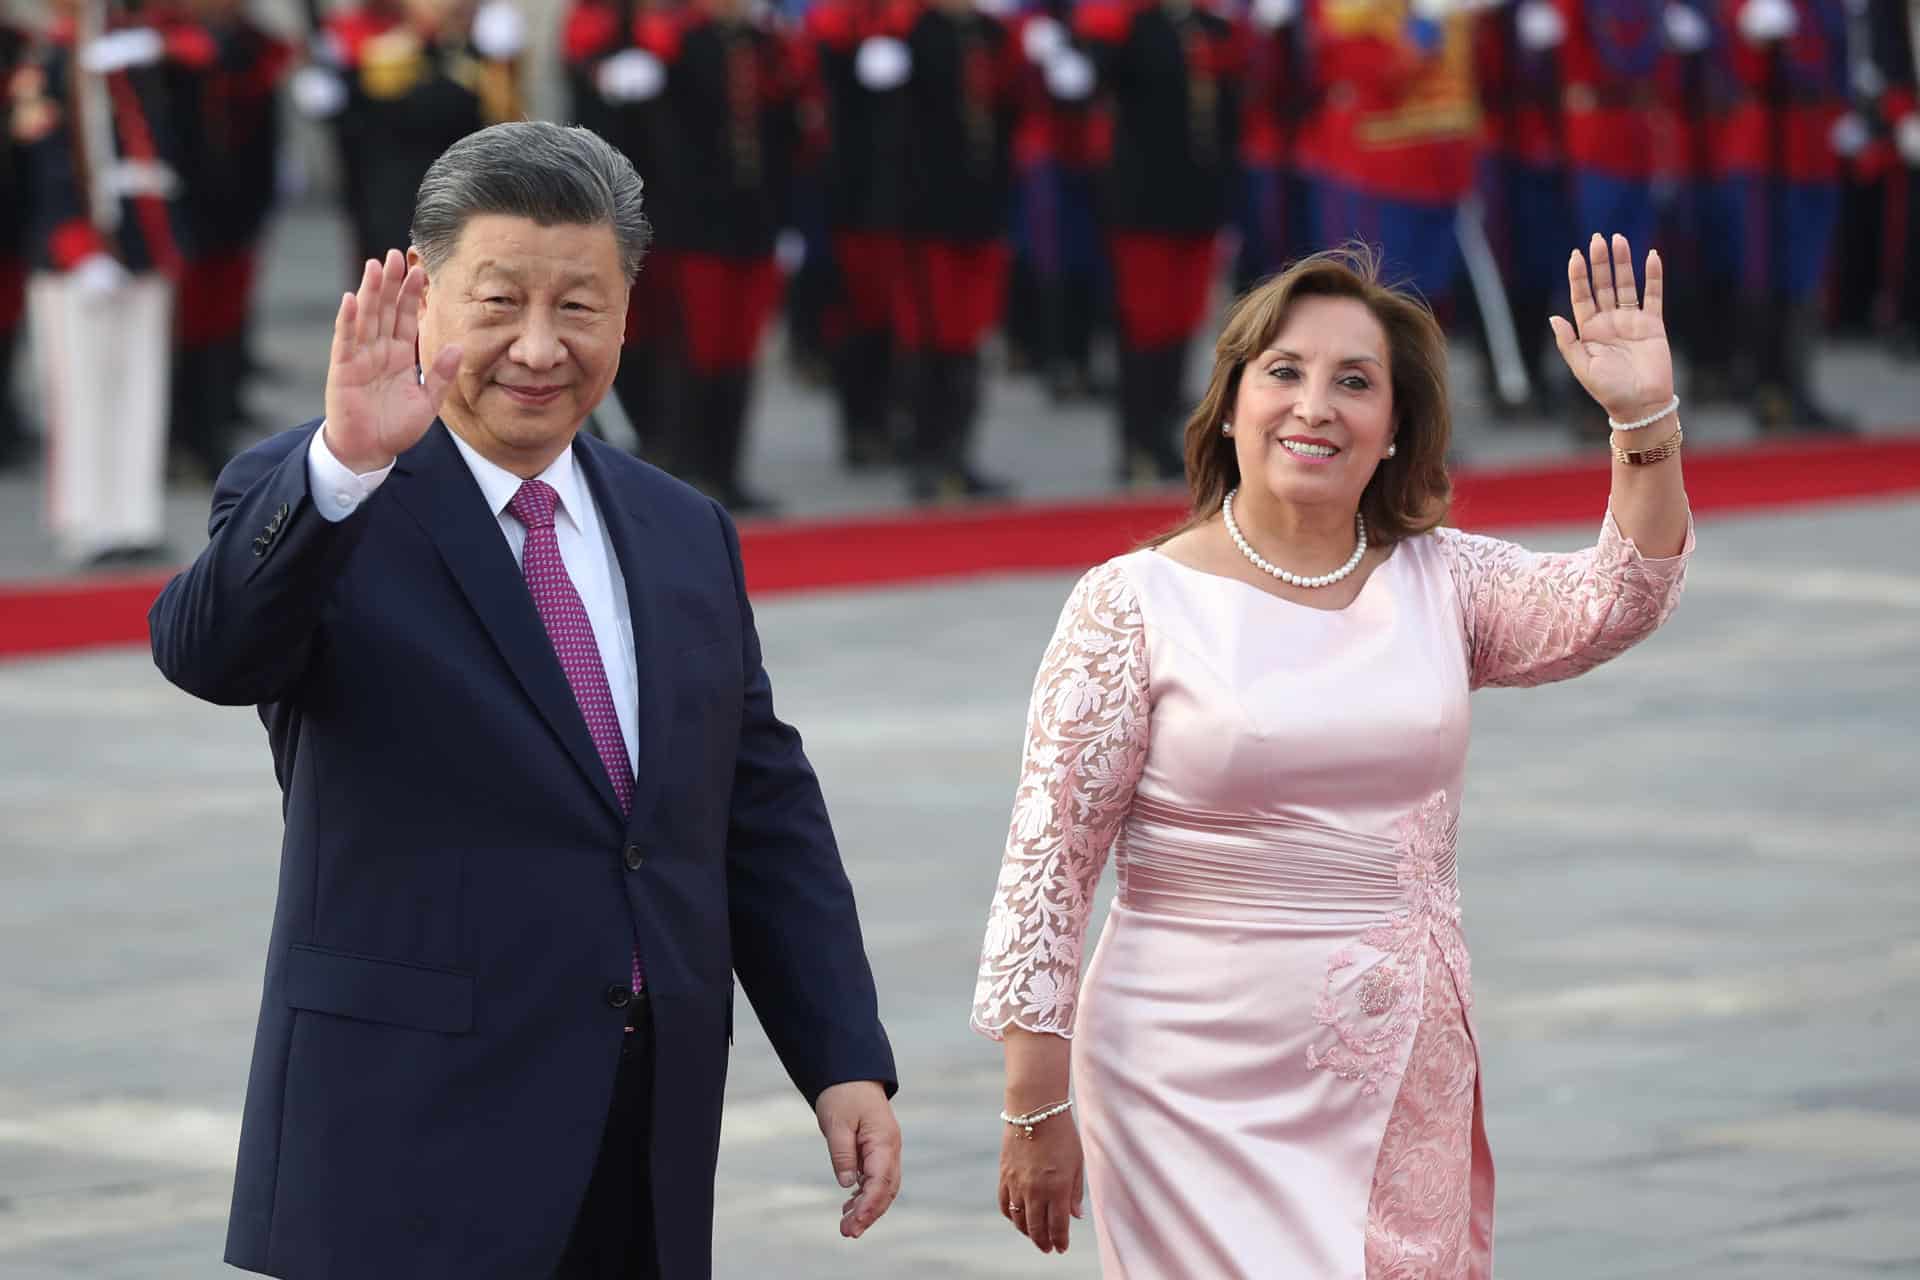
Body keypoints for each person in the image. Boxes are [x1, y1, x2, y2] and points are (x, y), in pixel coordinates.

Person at [149, 121, 902, 1279]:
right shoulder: (326, 495)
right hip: (406, 1139)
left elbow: (756, 802)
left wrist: (841, 1051)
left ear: (626, 308)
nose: (540, 349)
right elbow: (207, 652)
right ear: (424, 292)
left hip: (640, 1124)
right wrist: (344, 468)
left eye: (581, 307)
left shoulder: (679, 526)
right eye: (499, 303)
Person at [971, 233, 1693, 1274]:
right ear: (1231, 403)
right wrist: (1035, 1106)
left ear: (1396, 430)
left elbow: (1618, 598)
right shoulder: (1129, 604)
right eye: (1285, 373)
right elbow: (1046, 871)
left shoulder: (1441, 580)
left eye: (1355, 382)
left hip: (1396, 1065)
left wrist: (1642, 417)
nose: (1316, 405)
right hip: (1185, 1084)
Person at [16, 0, 193, 565]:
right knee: (80, 391)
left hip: (143, 238)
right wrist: (78, 245)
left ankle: (133, 515)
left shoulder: (137, 51)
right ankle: (87, 517)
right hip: (76, 253)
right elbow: (44, 161)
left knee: (143, 382)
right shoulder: (50, 61)